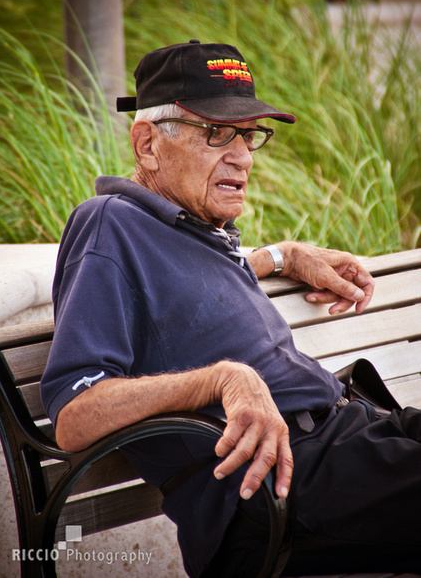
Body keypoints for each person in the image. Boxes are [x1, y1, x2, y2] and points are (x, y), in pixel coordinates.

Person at [41, 40, 421, 577]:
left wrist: (285, 254)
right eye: (217, 133)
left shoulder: (193, 229)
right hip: (285, 486)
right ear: (148, 145)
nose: (241, 156)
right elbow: (73, 416)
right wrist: (220, 380)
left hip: (354, 433)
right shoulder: (111, 225)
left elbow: (204, 276)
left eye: (247, 135)